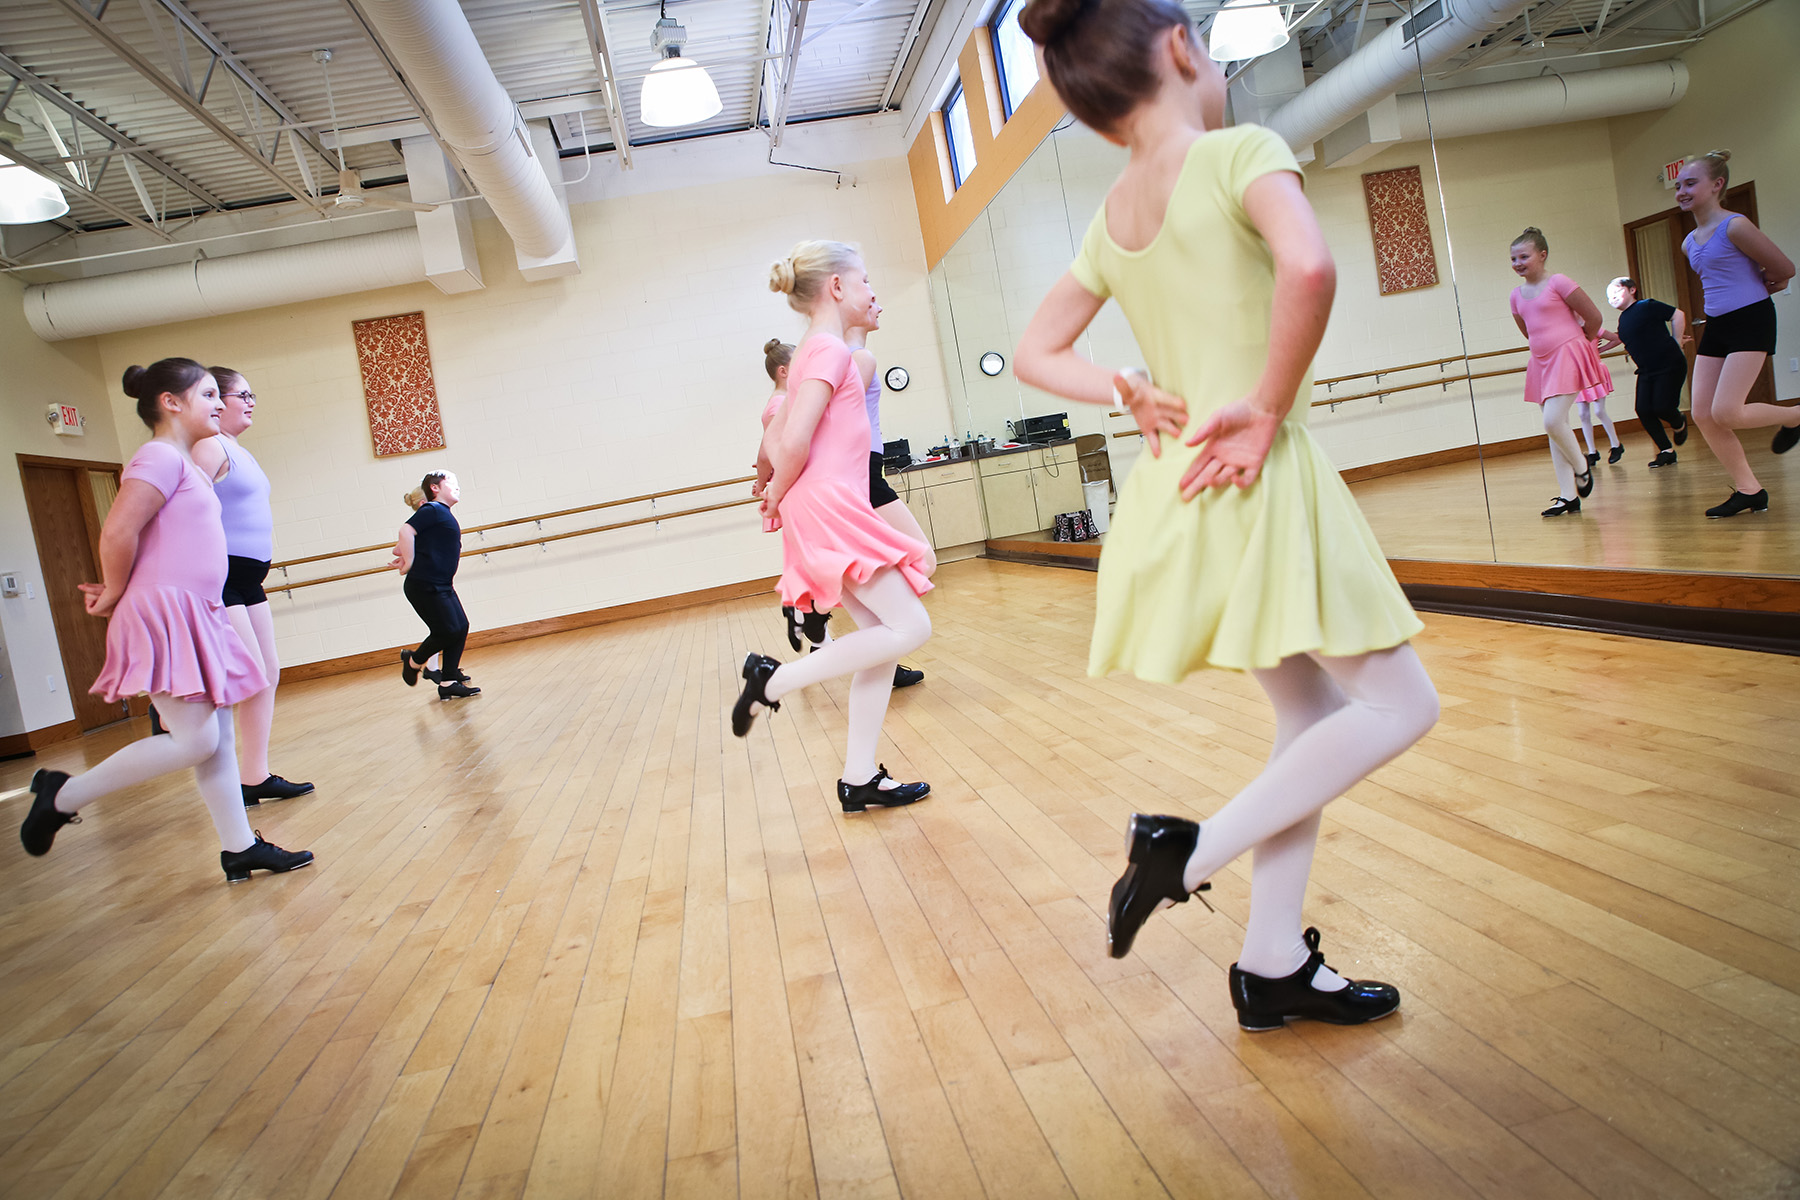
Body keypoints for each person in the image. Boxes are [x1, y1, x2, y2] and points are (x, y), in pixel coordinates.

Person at [1012, 0, 1438, 1032]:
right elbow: (1311, 265)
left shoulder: (1112, 214)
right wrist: (1268, 410)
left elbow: (1035, 353)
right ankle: (1185, 854)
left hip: (1183, 488)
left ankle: (1272, 959)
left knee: (1313, 722)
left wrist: (1124, 386)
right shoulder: (1241, 147)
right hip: (1254, 472)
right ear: (1179, 48)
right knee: (1401, 706)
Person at [19, 359, 313, 882]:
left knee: (217, 738)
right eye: (208, 395)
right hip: (166, 612)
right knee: (197, 741)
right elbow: (118, 530)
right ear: (171, 403)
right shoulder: (157, 456)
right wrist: (114, 590)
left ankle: (240, 846)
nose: (220, 404)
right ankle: (62, 793)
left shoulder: (180, 460)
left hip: (197, 611)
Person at [731, 240, 935, 815]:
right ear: (838, 288)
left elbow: (778, 438)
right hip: (828, 505)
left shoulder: (819, 353)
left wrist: (774, 489)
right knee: (910, 627)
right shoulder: (826, 351)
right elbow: (791, 439)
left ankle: (860, 776)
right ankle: (772, 682)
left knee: (882, 646)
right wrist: (774, 493)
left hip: (828, 501)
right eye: (865, 280)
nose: (873, 291)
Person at [183, 367, 314, 805]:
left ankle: (254, 776)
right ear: (218, 400)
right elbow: (184, 512)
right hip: (220, 577)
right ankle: (181, 702)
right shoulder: (208, 447)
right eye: (243, 394)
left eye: (252, 393)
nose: (251, 400)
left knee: (267, 674)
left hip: (248, 578)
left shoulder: (239, 449)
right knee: (248, 674)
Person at [1674, 150, 1798, 518]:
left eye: (1690, 183)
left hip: (1750, 319)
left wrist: (1760, 291)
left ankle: (1794, 416)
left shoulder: (1736, 226)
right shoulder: (1689, 241)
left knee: (1726, 411)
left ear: (1717, 185)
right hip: (1717, 325)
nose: (1681, 190)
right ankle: (1750, 490)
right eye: (1678, 185)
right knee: (1703, 413)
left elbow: (1785, 268)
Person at [849, 303, 930, 690]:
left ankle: (883, 659)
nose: (877, 303)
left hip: (866, 469)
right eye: (867, 292)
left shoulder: (851, 354)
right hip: (863, 472)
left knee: (883, 568)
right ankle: (857, 650)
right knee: (923, 559)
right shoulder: (857, 356)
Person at [1508, 228, 1614, 516]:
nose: (1518, 263)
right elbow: (1528, 332)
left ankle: (1582, 468)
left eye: (1524, 256)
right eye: (1514, 258)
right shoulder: (1516, 295)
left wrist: (1582, 342)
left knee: (1553, 421)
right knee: (1555, 426)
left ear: (1542, 255)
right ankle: (1568, 496)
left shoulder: (1559, 282)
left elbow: (1593, 317)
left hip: (1568, 354)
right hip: (1541, 361)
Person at [392, 471, 479, 700]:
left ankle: (449, 680)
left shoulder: (441, 513)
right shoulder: (432, 509)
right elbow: (405, 531)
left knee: (460, 626)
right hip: (425, 584)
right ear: (434, 488)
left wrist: (405, 554)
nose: (457, 486)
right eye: (451, 482)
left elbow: (403, 545)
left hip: (440, 584)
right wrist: (409, 561)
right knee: (447, 630)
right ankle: (413, 661)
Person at [1599, 278, 1691, 468]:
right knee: (1643, 410)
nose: (1612, 298)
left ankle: (1679, 422)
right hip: (1647, 371)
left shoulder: (1647, 305)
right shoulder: (1623, 319)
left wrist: (1677, 342)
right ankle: (1666, 451)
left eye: (1616, 292)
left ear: (1632, 290)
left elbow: (1678, 315)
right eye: (1609, 297)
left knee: (1662, 407)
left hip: (1669, 364)